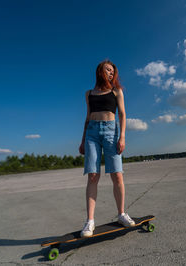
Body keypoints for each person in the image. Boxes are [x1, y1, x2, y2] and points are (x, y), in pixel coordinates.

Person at [79, 60, 135, 237]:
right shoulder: (89, 94)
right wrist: (82, 141)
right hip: (92, 133)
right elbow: (87, 118)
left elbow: (123, 114)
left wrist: (122, 136)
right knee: (93, 176)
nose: (111, 73)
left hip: (111, 132)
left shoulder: (116, 91)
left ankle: (121, 214)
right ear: (100, 71)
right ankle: (90, 222)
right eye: (108, 70)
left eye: (113, 71)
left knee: (117, 174)